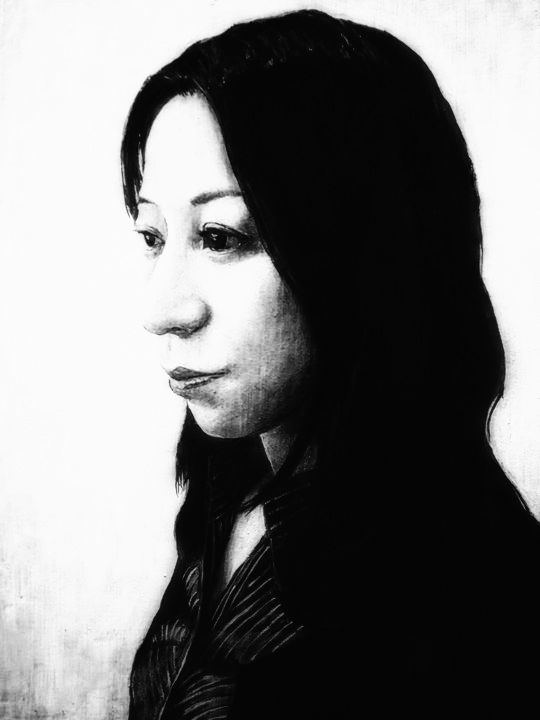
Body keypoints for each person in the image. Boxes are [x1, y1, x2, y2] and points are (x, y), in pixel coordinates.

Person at [120, 9, 540, 718]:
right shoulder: (229, 495)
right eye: (153, 236)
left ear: (362, 252)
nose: (162, 310)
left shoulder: (474, 593)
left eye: (220, 235)